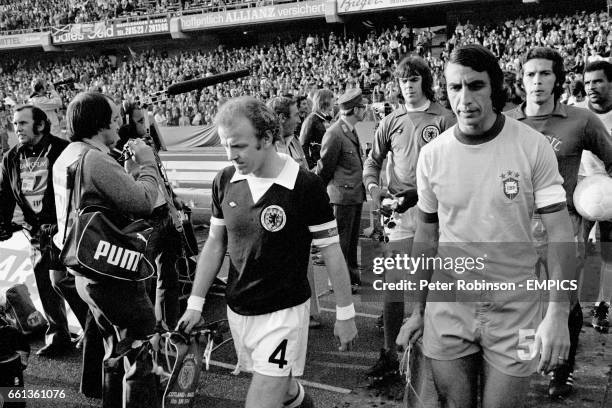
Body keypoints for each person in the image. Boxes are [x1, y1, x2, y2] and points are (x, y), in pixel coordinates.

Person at [397, 44, 574, 408]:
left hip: (518, 310)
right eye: (454, 88)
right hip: (450, 306)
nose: (464, 98)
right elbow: (427, 237)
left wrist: (556, 312)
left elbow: (559, 232)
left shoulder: (533, 147)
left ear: (494, 87)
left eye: (475, 86)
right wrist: (416, 309)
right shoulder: (433, 156)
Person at [177, 96, 357, 408]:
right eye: (225, 145)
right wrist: (195, 304)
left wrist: (345, 314)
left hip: (283, 314)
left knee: (261, 402)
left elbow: (331, 252)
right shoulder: (224, 180)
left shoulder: (305, 186)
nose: (231, 155)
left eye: (239, 146)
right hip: (240, 308)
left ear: (267, 137)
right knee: (285, 391)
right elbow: (216, 243)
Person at [506, 47, 612, 399]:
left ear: (557, 78)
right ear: (521, 80)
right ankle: (522, 362)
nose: (537, 81)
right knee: (519, 300)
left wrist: (600, 196)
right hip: (516, 227)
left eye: (545, 74)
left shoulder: (580, 120)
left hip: (563, 226)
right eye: (530, 74)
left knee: (563, 300)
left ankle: (561, 372)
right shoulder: (506, 122)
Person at [52, 92, 159, 407]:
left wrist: (122, 170)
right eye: (114, 118)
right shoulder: (95, 158)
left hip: (85, 270)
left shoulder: (69, 153)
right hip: (112, 274)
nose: (119, 124)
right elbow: (143, 202)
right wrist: (147, 165)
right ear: (99, 125)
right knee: (142, 350)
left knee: (116, 349)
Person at [362, 55, 455, 380]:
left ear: (424, 82)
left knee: (431, 285)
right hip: (398, 215)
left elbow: (455, 170)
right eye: (404, 81)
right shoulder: (392, 120)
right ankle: (390, 353)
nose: (409, 86)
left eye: (414, 80)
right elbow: (372, 163)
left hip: (435, 213)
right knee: (393, 286)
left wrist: (419, 195)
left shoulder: (444, 118)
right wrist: (376, 193)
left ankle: (431, 353)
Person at [0, 105, 89, 358]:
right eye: (15, 124)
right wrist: (4, 224)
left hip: (65, 228)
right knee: (45, 284)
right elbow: (5, 195)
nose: (17, 128)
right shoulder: (12, 157)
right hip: (36, 232)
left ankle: (92, 330)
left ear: (39, 125)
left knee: (64, 282)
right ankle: (59, 336)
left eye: (23, 123)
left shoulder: (62, 149)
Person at [119, 102, 182, 330]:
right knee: (143, 280)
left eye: (144, 120)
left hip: (164, 211)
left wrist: (173, 199)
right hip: (144, 220)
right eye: (138, 121)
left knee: (169, 275)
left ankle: (168, 326)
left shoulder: (145, 144)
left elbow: (159, 176)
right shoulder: (120, 151)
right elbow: (130, 184)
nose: (144, 126)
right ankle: (147, 332)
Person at [268, 96, 321, 328]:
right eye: (296, 114)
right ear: (281, 118)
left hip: (299, 218)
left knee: (304, 267)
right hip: (280, 220)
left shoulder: (294, 141)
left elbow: (304, 173)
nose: (300, 118)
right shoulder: (268, 146)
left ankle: (307, 313)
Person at [315, 88, 368, 290]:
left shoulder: (350, 130)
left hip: (353, 194)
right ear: (355, 110)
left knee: (351, 242)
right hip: (342, 196)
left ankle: (351, 277)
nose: (365, 110)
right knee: (342, 243)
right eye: (362, 107)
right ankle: (339, 281)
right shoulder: (335, 133)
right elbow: (324, 167)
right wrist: (321, 194)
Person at [581, 60, 612, 334]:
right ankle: (566, 306)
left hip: (610, 195)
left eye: (598, 81)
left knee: (608, 254)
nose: (591, 87)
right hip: (580, 192)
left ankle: (602, 306)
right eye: (588, 82)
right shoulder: (576, 112)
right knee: (572, 250)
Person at [300, 89, 334, 169]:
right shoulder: (311, 120)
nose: (334, 101)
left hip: (325, 162)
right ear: (325, 101)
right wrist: (311, 166)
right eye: (332, 99)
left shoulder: (326, 118)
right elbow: (303, 145)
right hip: (317, 165)